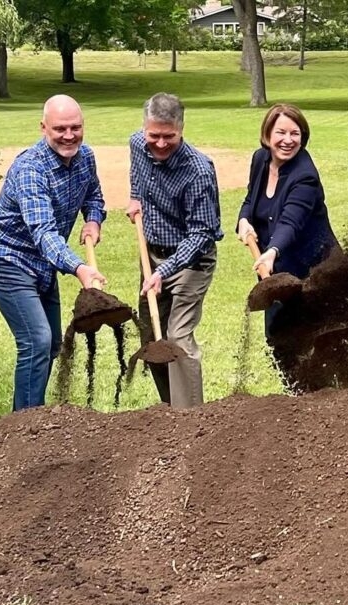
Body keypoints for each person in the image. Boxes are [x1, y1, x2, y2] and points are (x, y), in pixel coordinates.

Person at [0, 95, 107, 412]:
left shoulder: (85, 157)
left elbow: (94, 196)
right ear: (43, 127)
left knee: (52, 344)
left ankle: (33, 418)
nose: (69, 135)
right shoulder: (31, 169)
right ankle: (26, 428)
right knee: (36, 340)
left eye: (75, 127)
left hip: (40, 264)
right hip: (2, 257)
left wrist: (94, 220)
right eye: (60, 128)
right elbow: (44, 233)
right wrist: (79, 268)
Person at [127, 92, 222, 409]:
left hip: (191, 261)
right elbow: (137, 173)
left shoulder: (198, 171)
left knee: (177, 336)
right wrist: (135, 196)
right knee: (153, 340)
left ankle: (190, 418)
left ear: (181, 130)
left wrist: (163, 272)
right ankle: (171, 408)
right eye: (154, 135)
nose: (161, 143)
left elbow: (201, 234)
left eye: (169, 136)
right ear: (144, 129)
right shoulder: (137, 145)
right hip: (151, 254)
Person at [236, 103, 339, 336]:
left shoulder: (305, 175)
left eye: (295, 134)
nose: (288, 140)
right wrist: (244, 219)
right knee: (278, 338)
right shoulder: (260, 159)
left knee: (312, 343)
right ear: (267, 134)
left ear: (303, 138)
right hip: (276, 273)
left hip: (312, 272)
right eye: (281, 132)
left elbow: (290, 222)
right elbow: (251, 200)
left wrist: (271, 251)